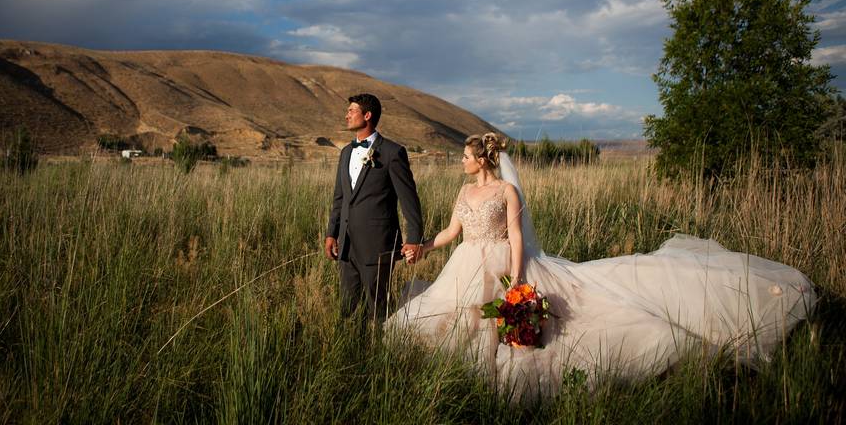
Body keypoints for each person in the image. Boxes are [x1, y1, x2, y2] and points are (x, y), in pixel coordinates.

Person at [388, 133, 816, 400]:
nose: (461, 161)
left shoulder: (506, 192)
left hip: (502, 262)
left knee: (526, 326)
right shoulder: (464, 191)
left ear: (482, 158)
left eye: (465, 156)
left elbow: (517, 237)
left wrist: (517, 279)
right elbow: (451, 231)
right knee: (452, 317)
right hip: (466, 263)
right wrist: (425, 248)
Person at [325, 93, 424, 325]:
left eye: (352, 111)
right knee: (347, 309)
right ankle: (351, 353)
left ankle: (381, 355)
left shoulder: (392, 152)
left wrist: (414, 238)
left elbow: (409, 199)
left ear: (367, 115)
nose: (346, 115)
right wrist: (332, 233)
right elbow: (340, 198)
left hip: (377, 246)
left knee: (378, 309)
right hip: (346, 246)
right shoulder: (346, 152)